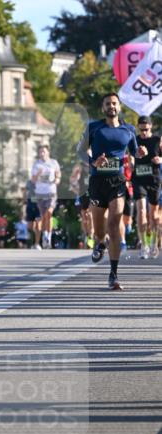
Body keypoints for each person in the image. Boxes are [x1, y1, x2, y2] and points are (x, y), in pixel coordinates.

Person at [77, 92, 146, 290]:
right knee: (99, 230)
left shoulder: (129, 129)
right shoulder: (93, 128)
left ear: (119, 106)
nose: (111, 107)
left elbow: (134, 151)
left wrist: (141, 153)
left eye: (114, 103)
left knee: (114, 225)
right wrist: (93, 161)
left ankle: (113, 275)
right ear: (103, 107)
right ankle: (99, 243)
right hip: (97, 182)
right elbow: (80, 151)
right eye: (108, 104)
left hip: (117, 181)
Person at [132, 115, 161, 259]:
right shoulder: (135, 140)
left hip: (154, 180)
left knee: (154, 216)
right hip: (139, 179)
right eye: (141, 129)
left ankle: (154, 243)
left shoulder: (157, 140)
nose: (143, 132)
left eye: (146, 129)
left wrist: (160, 159)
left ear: (151, 127)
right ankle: (144, 245)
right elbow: (129, 155)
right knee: (141, 211)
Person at [30, 144, 61, 248]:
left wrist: (57, 179)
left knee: (49, 213)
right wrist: (38, 174)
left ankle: (48, 236)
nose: (42, 153)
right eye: (40, 152)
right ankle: (44, 236)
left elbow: (58, 174)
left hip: (51, 192)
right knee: (42, 217)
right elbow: (33, 180)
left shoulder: (53, 163)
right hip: (40, 193)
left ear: (48, 152)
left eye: (44, 151)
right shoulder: (36, 164)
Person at [25, 179, 42, 249]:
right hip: (30, 205)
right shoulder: (29, 181)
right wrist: (24, 200)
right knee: (30, 227)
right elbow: (26, 191)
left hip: (39, 206)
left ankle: (37, 243)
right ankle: (31, 243)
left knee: (38, 225)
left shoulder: (42, 182)